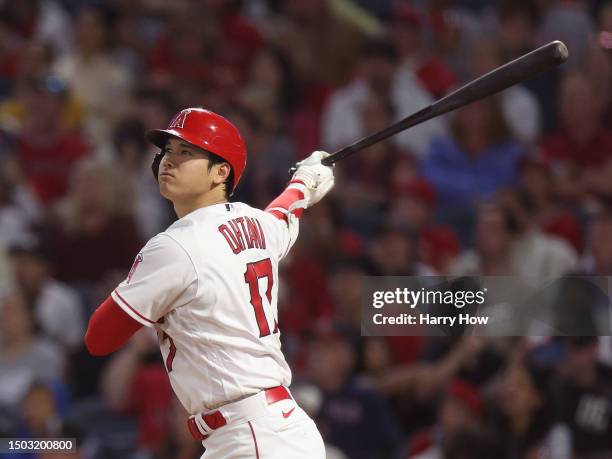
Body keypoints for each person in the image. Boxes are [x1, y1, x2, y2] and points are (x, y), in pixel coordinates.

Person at [84, 108, 333, 458]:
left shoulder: (173, 246)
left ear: (221, 172)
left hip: (251, 437)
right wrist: (304, 183)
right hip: (268, 431)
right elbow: (283, 212)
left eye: (186, 153)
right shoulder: (256, 223)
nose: (169, 160)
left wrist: (148, 306)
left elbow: (99, 337)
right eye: (167, 151)